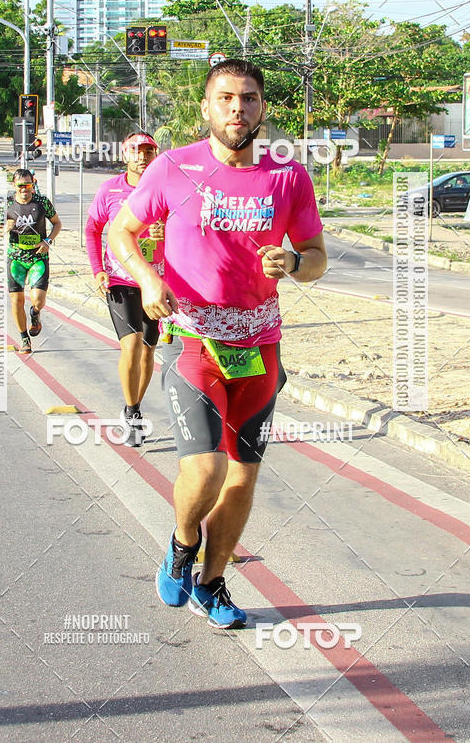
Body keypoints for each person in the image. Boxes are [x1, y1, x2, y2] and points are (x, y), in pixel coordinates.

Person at [108, 59, 327, 629]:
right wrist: (150, 278)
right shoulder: (173, 167)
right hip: (194, 343)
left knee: (242, 476)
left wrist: (297, 262)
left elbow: (317, 258)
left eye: (249, 98)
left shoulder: (288, 175)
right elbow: (120, 231)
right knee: (204, 472)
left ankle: (212, 582)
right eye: (226, 98)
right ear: (206, 107)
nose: (238, 108)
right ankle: (182, 546)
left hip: (262, 347)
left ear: (261, 107)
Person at [86, 132, 164, 444]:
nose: (142, 157)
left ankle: (136, 405)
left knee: (147, 351)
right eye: (136, 151)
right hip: (120, 279)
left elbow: (184, 232)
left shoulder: (164, 190)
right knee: (130, 345)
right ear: (125, 155)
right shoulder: (110, 190)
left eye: (148, 151)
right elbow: (92, 229)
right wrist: (98, 270)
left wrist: (165, 231)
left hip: (153, 281)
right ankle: (131, 413)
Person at [4, 168, 62, 354]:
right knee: (17, 300)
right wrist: (5, 227)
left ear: (33, 184)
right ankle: (24, 338)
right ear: (14, 185)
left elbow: (57, 223)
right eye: (20, 186)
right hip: (16, 259)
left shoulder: (42, 202)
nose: (24, 189)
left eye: (27, 185)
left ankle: (35, 314)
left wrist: (48, 240)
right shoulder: (7, 204)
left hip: (38, 257)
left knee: (37, 299)